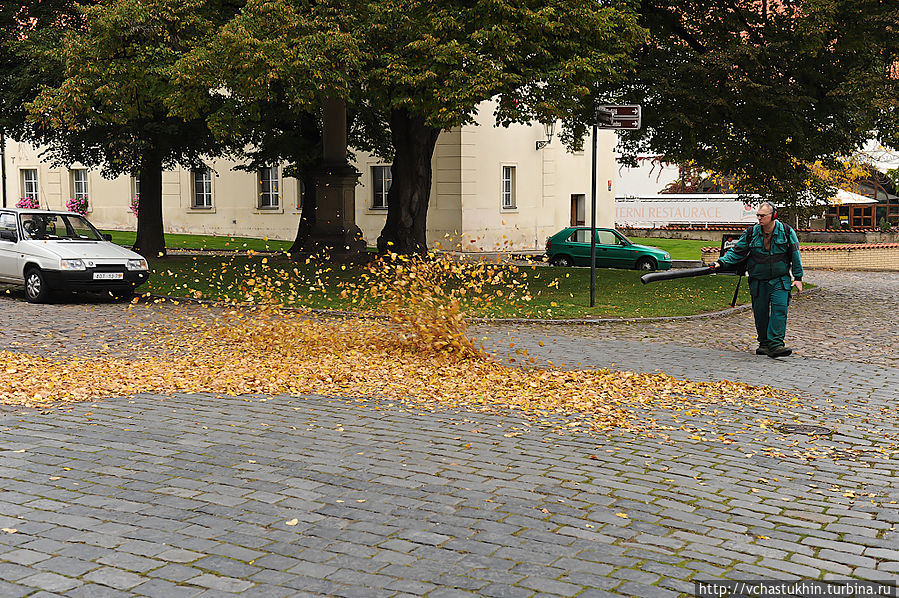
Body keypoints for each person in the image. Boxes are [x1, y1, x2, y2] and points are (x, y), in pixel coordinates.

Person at [709, 202, 803, 357]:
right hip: (758, 280)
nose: (759, 218)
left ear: (773, 216)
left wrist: (798, 277)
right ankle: (764, 344)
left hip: (780, 280)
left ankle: (776, 345)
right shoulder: (751, 232)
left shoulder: (786, 232)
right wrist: (721, 262)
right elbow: (737, 252)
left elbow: (795, 254)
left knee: (780, 310)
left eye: (762, 215)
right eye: (758, 215)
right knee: (760, 313)